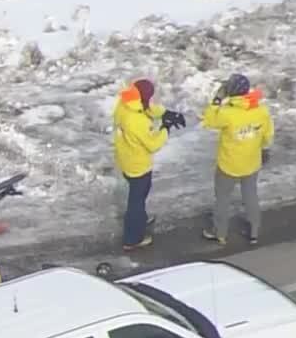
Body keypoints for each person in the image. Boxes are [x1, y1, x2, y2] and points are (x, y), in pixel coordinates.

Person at [201, 73, 274, 246]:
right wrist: (264, 149)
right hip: (251, 163)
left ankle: (220, 233)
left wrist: (217, 99)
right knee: (250, 196)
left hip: (229, 165)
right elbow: (268, 133)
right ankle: (254, 231)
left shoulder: (227, 114)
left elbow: (208, 121)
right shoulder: (261, 111)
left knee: (222, 199)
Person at [112, 79, 185, 251]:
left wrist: (165, 112)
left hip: (126, 159)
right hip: (138, 166)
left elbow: (146, 108)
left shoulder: (125, 105)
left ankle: (140, 219)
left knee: (139, 196)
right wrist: (165, 128)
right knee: (136, 201)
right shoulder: (136, 120)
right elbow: (153, 144)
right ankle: (132, 238)